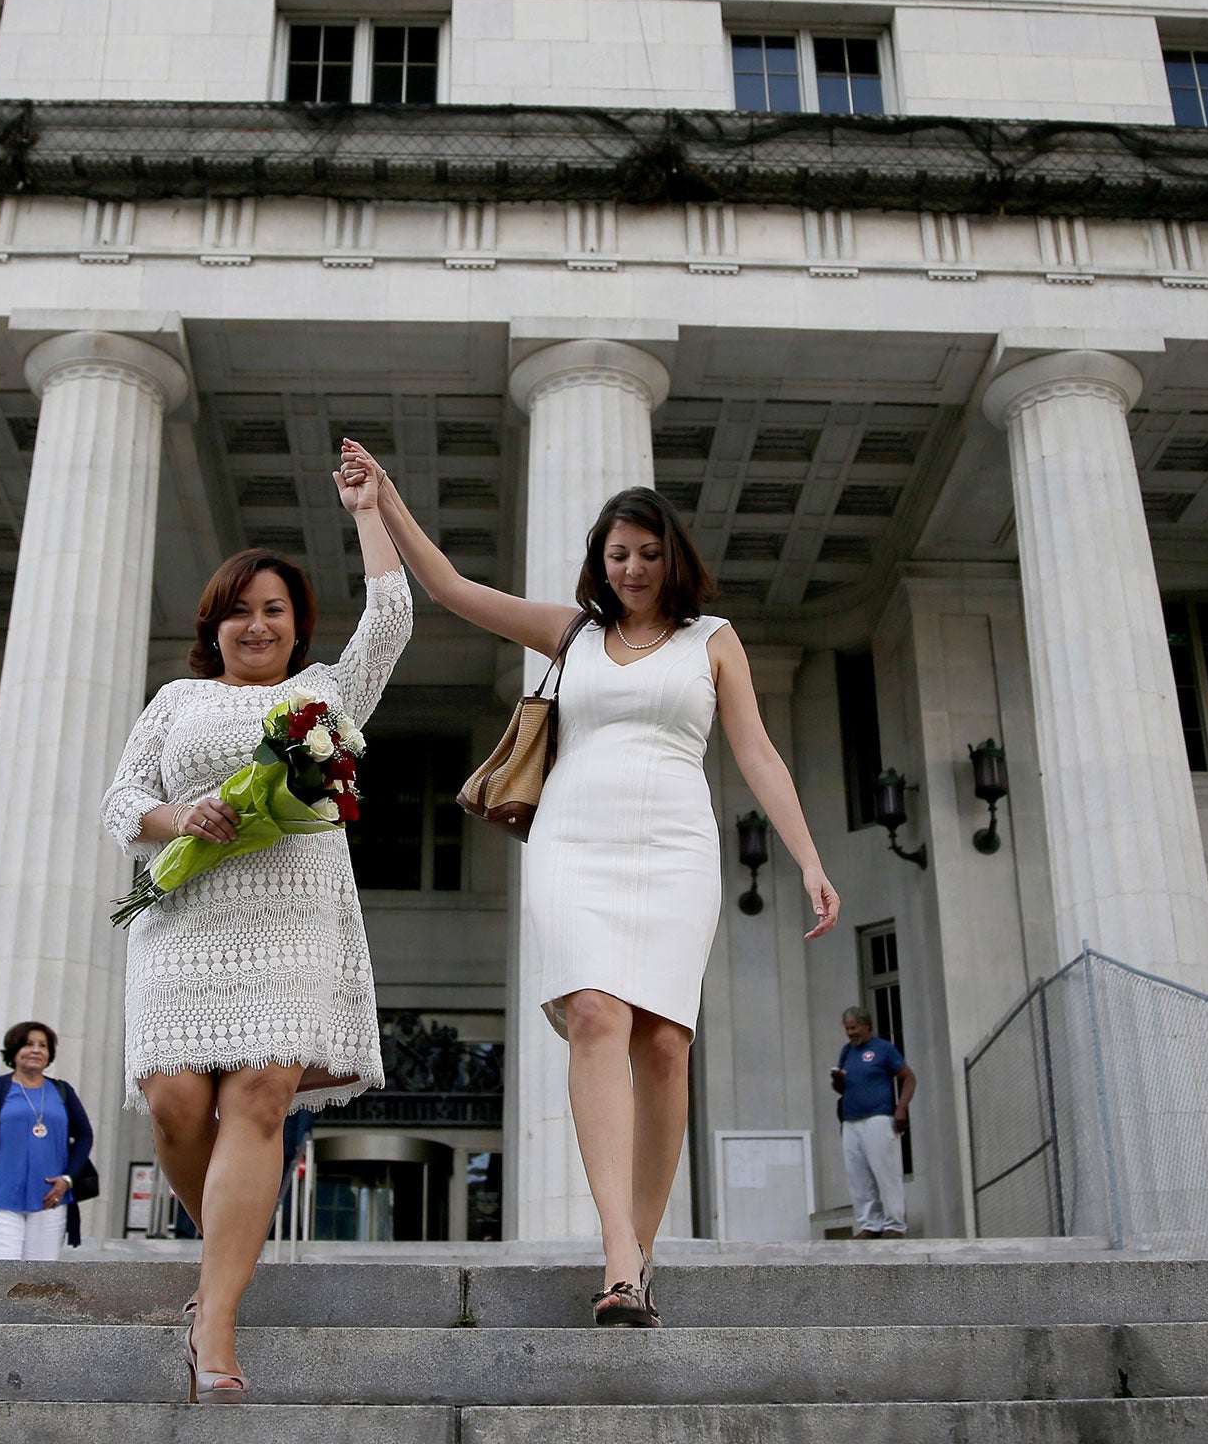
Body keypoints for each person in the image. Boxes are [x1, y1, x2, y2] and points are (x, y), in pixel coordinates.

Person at [341, 438, 840, 1328]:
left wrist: (807, 857)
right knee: (598, 1017)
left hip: (676, 848)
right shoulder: (573, 633)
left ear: (672, 556)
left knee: (666, 1046)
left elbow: (756, 752)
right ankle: (618, 1252)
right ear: (600, 562)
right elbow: (454, 589)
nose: (634, 567)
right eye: (619, 554)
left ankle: (638, 1258)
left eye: (648, 552)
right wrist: (382, 501)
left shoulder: (712, 642)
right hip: (574, 841)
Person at [101, 452, 408, 1401]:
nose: (257, 623)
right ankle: (226, 1260)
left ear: (295, 625)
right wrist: (176, 819)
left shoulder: (324, 695)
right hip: (184, 914)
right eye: (241, 609)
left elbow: (391, 619)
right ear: (216, 625)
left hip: (292, 917)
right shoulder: (175, 701)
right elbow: (121, 800)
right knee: (177, 1105)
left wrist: (369, 508)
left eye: (274, 609)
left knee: (262, 1094)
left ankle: (217, 1326)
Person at [0, 1020, 94, 1260]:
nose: (36, 1050)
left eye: (43, 1045)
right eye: (28, 1044)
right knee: (2, 1273)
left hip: (50, 1200)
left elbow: (84, 1136)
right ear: (14, 1051)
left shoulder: (62, 1091)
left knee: (39, 1280)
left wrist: (68, 1178)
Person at [831, 1006, 916, 1239]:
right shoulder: (847, 1052)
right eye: (847, 1029)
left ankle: (895, 1225)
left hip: (879, 1118)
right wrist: (837, 1081)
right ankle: (870, 1224)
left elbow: (908, 1077)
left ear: (866, 1025)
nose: (850, 1033)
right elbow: (841, 1088)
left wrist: (901, 1108)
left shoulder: (883, 1049)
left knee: (886, 1172)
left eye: (854, 1028)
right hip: (851, 1120)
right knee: (858, 1177)